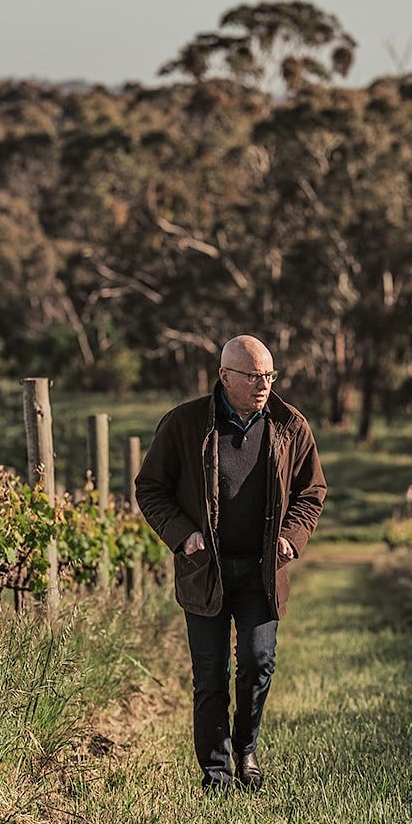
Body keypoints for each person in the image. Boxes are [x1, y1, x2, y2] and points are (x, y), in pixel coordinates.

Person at [135, 335, 327, 792]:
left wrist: (290, 538)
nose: (263, 385)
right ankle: (217, 773)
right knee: (211, 677)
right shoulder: (183, 424)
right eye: (253, 376)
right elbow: (150, 488)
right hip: (206, 570)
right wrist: (183, 537)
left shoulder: (290, 425)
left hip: (263, 572)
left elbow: (312, 492)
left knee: (258, 663)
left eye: (269, 375)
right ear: (225, 376)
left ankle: (245, 748)